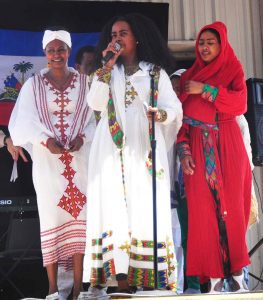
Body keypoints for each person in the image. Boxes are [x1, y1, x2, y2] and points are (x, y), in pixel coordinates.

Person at [84, 13, 182, 294]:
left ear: (136, 38)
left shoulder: (154, 73)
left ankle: (148, 283)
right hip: (111, 150)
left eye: (122, 33)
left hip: (143, 146)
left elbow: (174, 110)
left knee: (143, 209)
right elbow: (96, 102)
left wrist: (159, 114)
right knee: (114, 209)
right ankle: (119, 282)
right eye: (113, 35)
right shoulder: (104, 72)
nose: (117, 39)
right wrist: (107, 65)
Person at [9, 28, 96, 300]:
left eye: (61, 49)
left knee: (81, 218)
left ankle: (79, 288)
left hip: (80, 160)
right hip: (48, 164)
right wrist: (46, 142)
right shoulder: (33, 85)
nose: (56, 55)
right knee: (50, 219)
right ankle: (53, 289)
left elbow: (94, 118)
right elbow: (21, 122)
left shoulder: (84, 83)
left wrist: (83, 137)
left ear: (69, 52)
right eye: (51, 50)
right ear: (45, 53)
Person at [176, 21, 251, 294]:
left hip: (227, 145)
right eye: (201, 42)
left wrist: (206, 91)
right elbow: (180, 124)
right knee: (202, 215)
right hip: (197, 149)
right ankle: (214, 279)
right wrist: (183, 152)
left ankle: (237, 275)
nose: (205, 47)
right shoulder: (188, 78)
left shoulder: (233, 69)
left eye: (211, 42)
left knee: (232, 211)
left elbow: (240, 104)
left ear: (222, 44)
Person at [169, 69, 201, 295]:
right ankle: (176, 286)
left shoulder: (196, 114)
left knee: (193, 236)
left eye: (180, 87)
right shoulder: (166, 116)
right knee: (175, 239)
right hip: (171, 189)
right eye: (172, 88)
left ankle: (194, 285)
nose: (176, 92)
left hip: (194, 184)